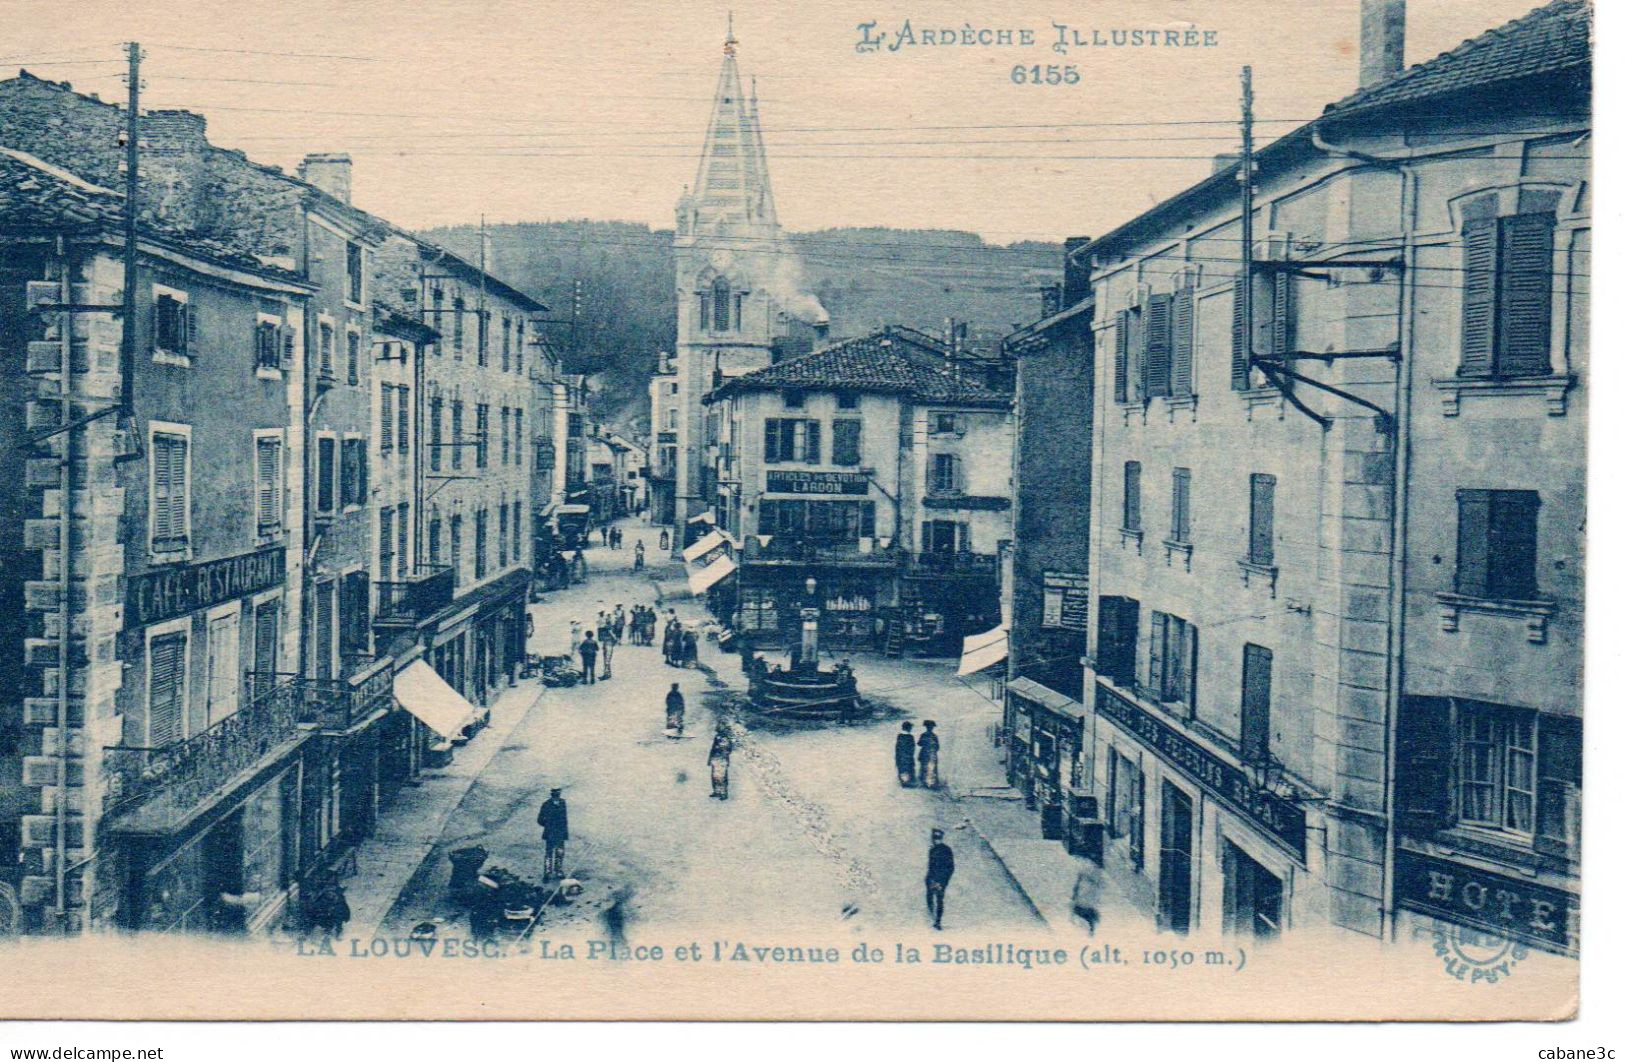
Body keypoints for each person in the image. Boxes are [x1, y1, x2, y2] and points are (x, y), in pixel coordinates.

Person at [925, 828, 955, 930]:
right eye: (934, 838)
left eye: (937, 838)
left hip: (941, 880)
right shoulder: (932, 849)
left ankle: (937, 921)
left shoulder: (947, 850)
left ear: (941, 838)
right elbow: (931, 866)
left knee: (939, 899)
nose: (935, 840)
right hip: (931, 878)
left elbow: (950, 867)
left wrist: (942, 881)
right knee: (929, 897)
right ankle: (931, 917)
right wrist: (929, 878)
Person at [537, 788, 569, 880]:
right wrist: (548, 825)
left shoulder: (563, 803)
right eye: (555, 794)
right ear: (552, 794)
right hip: (551, 833)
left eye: (558, 793)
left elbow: (564, 819)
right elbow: (540, 820)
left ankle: (558, 871)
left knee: (560, 852)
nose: (557, 795)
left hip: (560, 833)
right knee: (549, 853)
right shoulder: (546, 804)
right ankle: (547, 873)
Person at [1071, 858, 1104, 936]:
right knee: (1083, 907)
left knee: (1084, 907)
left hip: (1087, 893)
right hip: (1085, 892)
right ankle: (1091, 924)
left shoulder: (1094, 871)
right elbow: (1079, 880)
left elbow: (1097, 883)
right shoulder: (1091, 870)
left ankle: (1091, 924)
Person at [708, 723, 733, 799]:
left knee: (721, 777)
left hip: (722, 759)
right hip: (716, 759)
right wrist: (710, 759)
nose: (717, 728)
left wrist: (722, 752)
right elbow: (712, 749)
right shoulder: (717, 737)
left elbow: (728, 749)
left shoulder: (725, 738)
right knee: (715, 776)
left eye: (719, 727)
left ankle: (723, 793)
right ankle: (717, 792)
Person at [917, 719, 941, 789]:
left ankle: (926, 783)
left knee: (925, 767)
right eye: (931, 727)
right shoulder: (934, 736)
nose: (931, 728)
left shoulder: (923, 735)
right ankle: (931, 783)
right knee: (931, 767)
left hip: (925, 753)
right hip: (931, 754)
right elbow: (937, 747)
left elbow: (919, 743)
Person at [894, 721, 917, 787]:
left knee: (902, 768)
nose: (911, 729)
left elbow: (897, 747)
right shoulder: (910, 737)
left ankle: (904, 781)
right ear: (908, 728)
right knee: (909, 768)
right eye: (910, 727)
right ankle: (908, 782)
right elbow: (912, 748)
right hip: (908, 756)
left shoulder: (899, 736)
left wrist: (897, 756)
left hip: (900, 756)